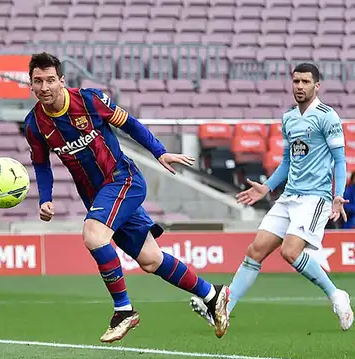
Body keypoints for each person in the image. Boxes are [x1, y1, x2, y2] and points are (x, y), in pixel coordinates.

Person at [23, 52, 229, 343]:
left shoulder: (89, 101)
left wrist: (160, 151)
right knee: (150, 259)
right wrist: (45, 197)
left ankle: (124, 310)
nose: (44, 87)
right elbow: (41, 163)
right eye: (37, 81)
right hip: (98, 195)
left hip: (123, 180)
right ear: (30, 84)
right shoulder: (34, 125)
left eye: (50, 80)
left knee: (94, 235)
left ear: (62, 81)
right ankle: (212, 294)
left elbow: (129, 124)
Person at [191, 63, 352, 333]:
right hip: (289, 196)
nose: (299, 86)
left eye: (305, 82)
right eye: (296, 81)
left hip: (315, 198)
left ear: (317, 85)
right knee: (255, 251)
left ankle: (337, 295)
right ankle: (224, 312)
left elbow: (339, 160)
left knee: (290, 252)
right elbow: (287, 162)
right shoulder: (289, 118)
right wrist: (267, 188)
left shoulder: (328, 117)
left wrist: (338, 196)